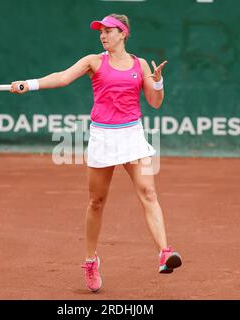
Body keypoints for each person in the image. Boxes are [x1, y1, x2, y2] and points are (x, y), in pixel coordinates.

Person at [10, 14, 182, 292]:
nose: (103, 35)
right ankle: (90, 261)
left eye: (109, 31)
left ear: (123, 34)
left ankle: (164, 252)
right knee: (97, 202)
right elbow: (62, 78)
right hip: (103, 137)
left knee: (148, 192)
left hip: (132, 135)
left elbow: (155, 102)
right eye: (101, 31)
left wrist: (158, 82)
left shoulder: (140, 65)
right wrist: (30, 84)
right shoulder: (93, 61)